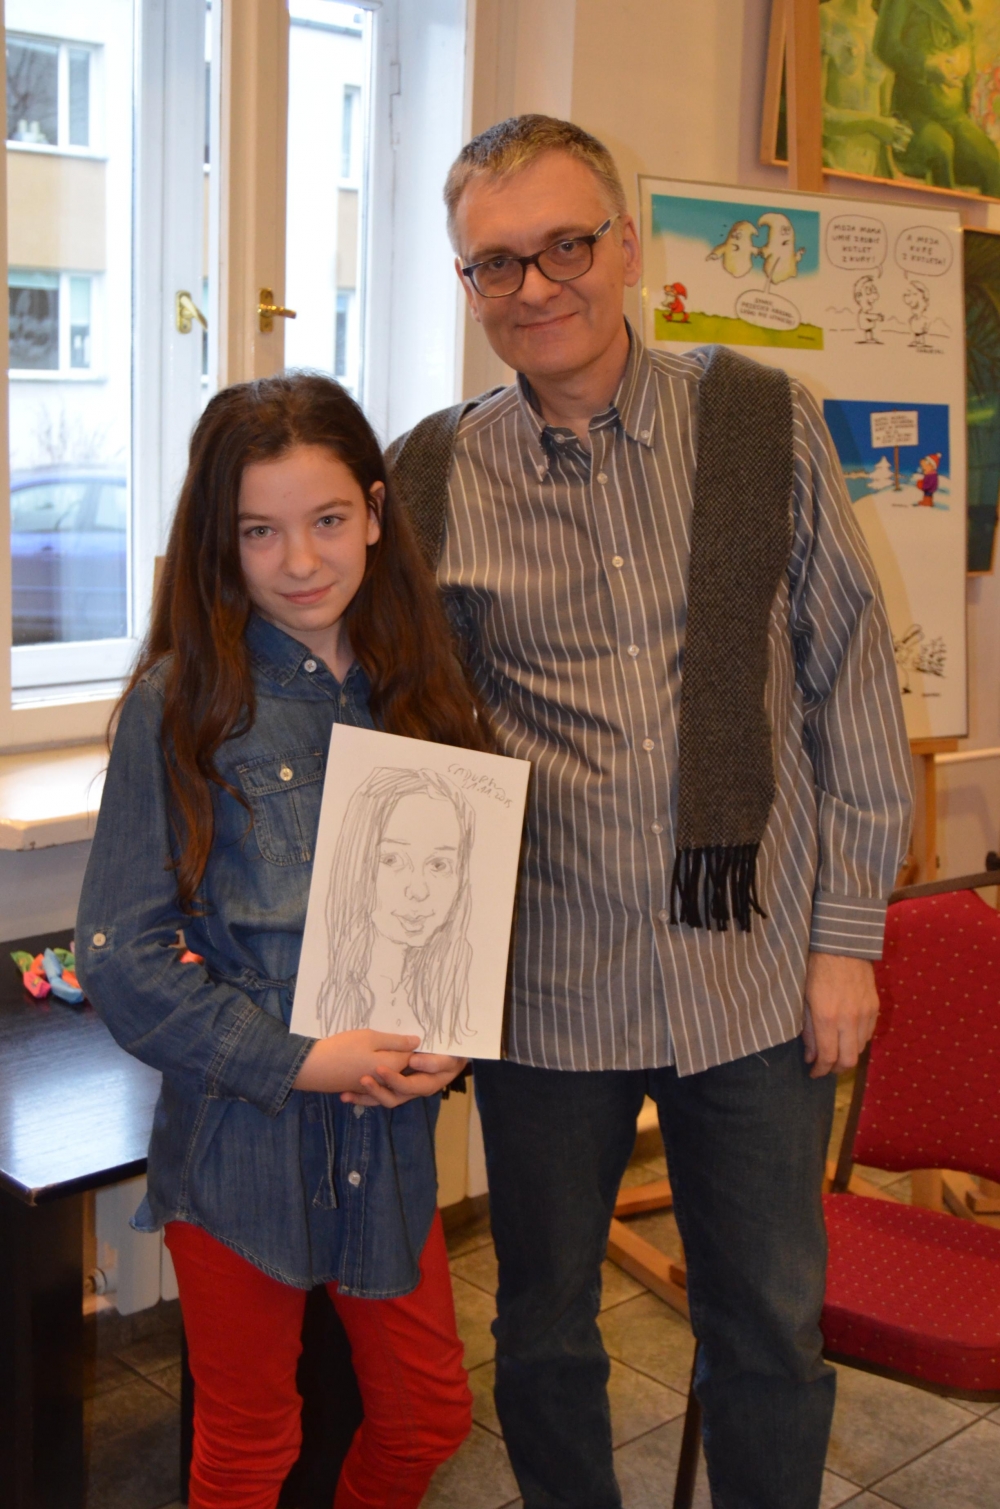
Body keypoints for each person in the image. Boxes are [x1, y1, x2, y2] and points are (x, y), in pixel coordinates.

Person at [385, 116, 913, 1509]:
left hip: (754, 977)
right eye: (496, 263)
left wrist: (845, 940)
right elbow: (405, 743)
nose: (536, 285)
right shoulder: (429, 476)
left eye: (565, 245)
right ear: (465, 283)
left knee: (769, 1331)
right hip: (544, 990)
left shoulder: (760, 422)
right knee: (542, 1329)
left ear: (624, 246)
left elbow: (850, 683)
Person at [75, 373, 484, 1509]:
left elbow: (459, 907)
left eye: (328, 519)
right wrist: (301, 1060)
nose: (299, 560)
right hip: (240, 1145)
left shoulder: (423, 687)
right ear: (222, 537)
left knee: (427, 1415)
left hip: (384, 1143)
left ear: (376, 510)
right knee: (250, 1446)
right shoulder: (181, 703)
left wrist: (452, 1033)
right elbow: (119, 955)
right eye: (259, 530)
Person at [319, 765, 476, 1045]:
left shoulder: (456, 991)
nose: (418, 891)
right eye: (392, 860)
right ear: (358, 863)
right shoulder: (324, 992)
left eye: (439, 865)